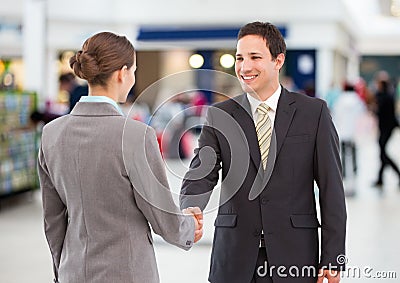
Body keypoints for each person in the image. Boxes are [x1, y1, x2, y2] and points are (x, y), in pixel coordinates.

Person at [180, 22, 346, 283]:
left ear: (278, 60)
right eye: (239, 58)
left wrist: (334, 256)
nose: (245, 67)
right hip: (234, 257)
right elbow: (201, 173)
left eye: (255, 57)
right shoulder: (220, 115)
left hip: (295, 257)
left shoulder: (313, 113)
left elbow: (331, 189)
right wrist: (191, 206)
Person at [37, 31, 203, 283]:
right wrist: (190, 226)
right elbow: (163, 217)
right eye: (134, 70)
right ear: (121, 73)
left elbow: (53, 219)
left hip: (73, 272)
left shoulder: (51, 134)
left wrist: (63, 271)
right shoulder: (136, 135)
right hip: (128, 273)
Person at [331, 82, 366, 180]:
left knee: (342, 152)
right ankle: (354, 170)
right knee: (353, 151)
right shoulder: (357, 100)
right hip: (353, 130)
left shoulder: (340, 100)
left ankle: (344, 172)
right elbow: (362, 112)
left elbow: (335, 114)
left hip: (342, 130)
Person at [373, 79, 400, 189]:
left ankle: (397, 174)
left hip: (386, 129)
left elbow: (383, 113)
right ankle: (380, 179)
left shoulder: (385, 98)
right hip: (385, 128)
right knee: (382, 154)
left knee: (383, 154)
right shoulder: (385, 97)